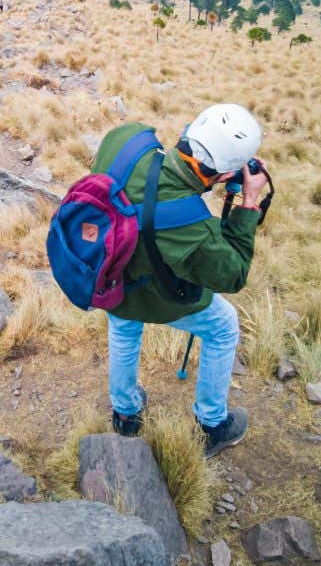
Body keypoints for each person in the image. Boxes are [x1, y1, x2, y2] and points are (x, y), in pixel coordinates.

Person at [92, 104, 267, 456]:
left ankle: (126, 413)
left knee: (124, 326)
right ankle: (212, 424)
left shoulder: (125, 138)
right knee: (223, 325)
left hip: (108, 273)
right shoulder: (190, 225)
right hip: (150, 287)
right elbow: (232, 274)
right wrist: (248, 202)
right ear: (225, 173)